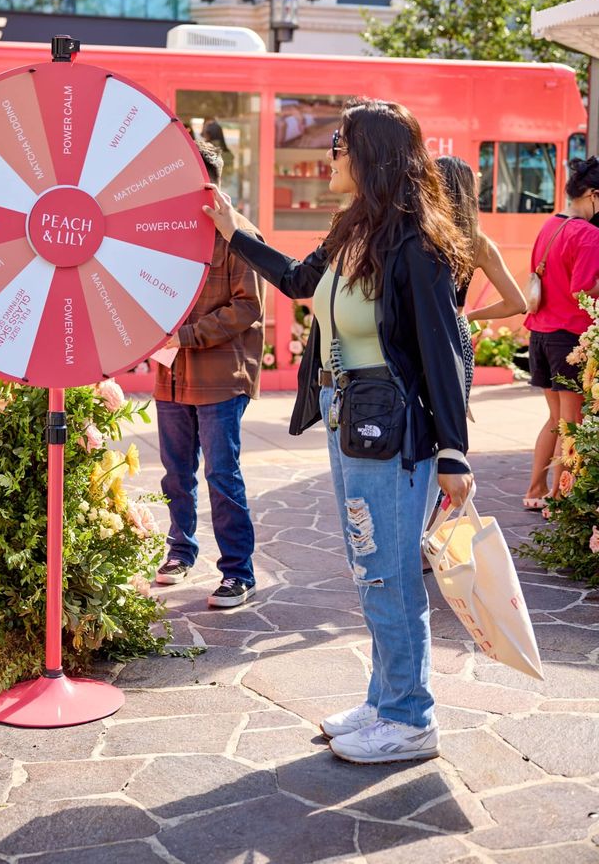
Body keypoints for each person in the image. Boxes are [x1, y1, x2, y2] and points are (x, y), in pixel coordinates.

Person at [203, 97, 473, 764]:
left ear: (371, 156)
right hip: (348, 419)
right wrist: (234, 229)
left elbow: (445, 346)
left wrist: (455, 450)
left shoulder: (416, 242)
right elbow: (297, 281)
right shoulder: (356, 229)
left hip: (393, 429)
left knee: (389, 575)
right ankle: (385, 699)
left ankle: (411, 718)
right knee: (367, 566)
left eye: (340, 144)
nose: (331, 155)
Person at [154, 140, 265, 608]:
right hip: (171, 373)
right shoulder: (166, 234)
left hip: (221, 375)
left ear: (210, 183)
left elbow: (248, 308)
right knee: (175, 473)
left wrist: (186, 335)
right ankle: (181, 553)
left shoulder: (242, 235)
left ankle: (239, 572)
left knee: (222, 474)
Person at [523, 156, 599, 510]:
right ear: (594, 194)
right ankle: (560, 497)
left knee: (556, 419)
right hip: (568, 338)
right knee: (573, 422)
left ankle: (535, 490)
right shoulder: (588, 234)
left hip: (539, 334)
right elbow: (583, 289)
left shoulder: (550, 224)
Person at [436, 155, 526, 400]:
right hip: (455, 337)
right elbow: (517, 303)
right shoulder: (478, 243)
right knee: (452, 421)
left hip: (419, 335)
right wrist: (468, 317)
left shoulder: (419, 237)